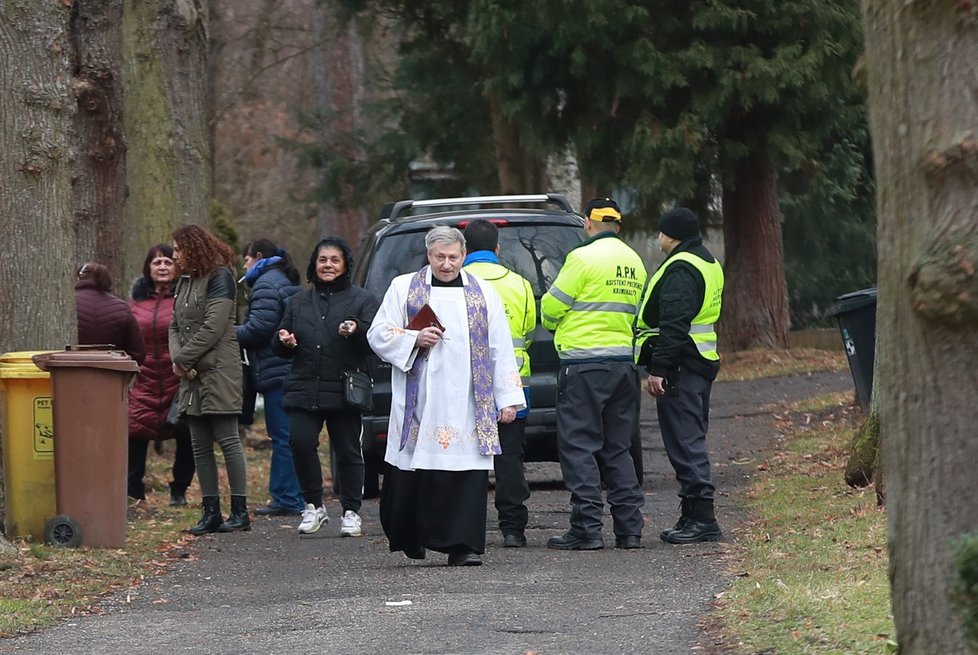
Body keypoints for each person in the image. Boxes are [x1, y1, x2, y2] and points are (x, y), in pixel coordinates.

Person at [367, 226, 525, 566]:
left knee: (466, 471)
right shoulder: (404, 288)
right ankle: (414, 538)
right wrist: (412, 338)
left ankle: (462, 545)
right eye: (440, 257)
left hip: (469, 401)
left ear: (463, 255)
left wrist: (508, 396)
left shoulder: (483, 292)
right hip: (421, 398)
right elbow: (378, 333)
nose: (447, 265)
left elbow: (500, 345)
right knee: (414, 468)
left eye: (453, 257)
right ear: (429, 256)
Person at [540, 198, 647, 551]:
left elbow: (553, 306)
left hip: (584, 365)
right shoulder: (634, 260)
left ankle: (587, 528)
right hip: (622, 365)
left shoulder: (582, 258)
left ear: (588, 223)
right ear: (618, 224)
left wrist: (555, 324)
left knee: (579, 446)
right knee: (618, 447)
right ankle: (629, 529)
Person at [271, 236, 380, 537]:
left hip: (345, 387)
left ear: (345, 264)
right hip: (304, 384)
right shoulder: (298, 301)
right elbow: (279, 344)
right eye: (322, 260)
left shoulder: (363, 300)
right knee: (301, 443)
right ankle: (313, 506)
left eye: (334, 260)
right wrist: (285, 342)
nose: (328, 265)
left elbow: (376, 341)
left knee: (347, 450)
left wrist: (357, 330)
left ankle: (351, 511)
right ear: (314, 264)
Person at [635, 207, 724, 544]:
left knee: (685, 442)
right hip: (698, 362)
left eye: (660, 232)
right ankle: (691, 516)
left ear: (670, 235)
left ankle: (702, 519)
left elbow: (674, 322)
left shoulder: (681, 267)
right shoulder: (707, 261)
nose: (658, 238)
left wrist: (658, 369)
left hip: (681, 366)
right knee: (689, 438)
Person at [169, 224, 248, 535]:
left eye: (177, 249)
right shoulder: (185, 281)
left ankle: (240, 512)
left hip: (219, 371)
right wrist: (180, 360)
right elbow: (174, 326)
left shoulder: (220, 277)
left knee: (228, 440)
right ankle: (211, 510)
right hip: (190, 373)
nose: (174, 256)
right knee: (199, 444)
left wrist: (183, 359)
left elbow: (214, 327)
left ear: (193, 247)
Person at [462, 219, 535, 548]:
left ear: (463, 250)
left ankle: (467, 526)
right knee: (508, 459)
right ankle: (512, 529)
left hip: (465, 387)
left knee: (466, 460)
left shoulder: (454, 282)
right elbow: (529, 331)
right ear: (497, 249)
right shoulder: (518, 283)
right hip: (513, 383)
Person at [237, 238, 304, 517]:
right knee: (287, 435)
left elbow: (259, 328)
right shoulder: (281, 278)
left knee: (282, 436)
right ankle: (286, 494)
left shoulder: (266, 283)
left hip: (277, 370)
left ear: (258, 257)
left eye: (246, 260)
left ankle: (288, 498)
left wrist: (226, 333)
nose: (244, 265)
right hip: (288, 367)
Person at [127, 245, 196, 506]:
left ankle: (179, 490)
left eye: (168, 262)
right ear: (148, 268)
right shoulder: (135, 302)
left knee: (186, 433)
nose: (163, 267)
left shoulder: (184, 298)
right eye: (157, 263)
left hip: (177, 378)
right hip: (143, 378)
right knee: (134, 432)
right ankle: (134, 492)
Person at [75, 262, 146, 363]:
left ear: (79, 278)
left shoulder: (67, 306)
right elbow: (138, 353)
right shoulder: (121, 308)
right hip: (112, 373)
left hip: (70, 372)